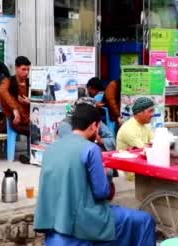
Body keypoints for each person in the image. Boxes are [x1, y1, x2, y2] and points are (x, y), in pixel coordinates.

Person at [34, 104, 156, 245]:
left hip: (53, 218)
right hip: (83, 218)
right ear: (94, 126)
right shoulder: (91, 149)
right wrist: (105, 174)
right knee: (144, 220)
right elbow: (102, 192)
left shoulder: (51, 148)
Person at [0, 56, 32, 136]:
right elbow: (2, 91)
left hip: (31, 119)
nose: (26, 72)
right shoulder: (8, 81)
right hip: (17, 120)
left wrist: (30, 101)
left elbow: (40, 98)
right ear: (16, 68)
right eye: (23, 69)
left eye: (28, 69)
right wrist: (15, 109)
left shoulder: (30, 83)